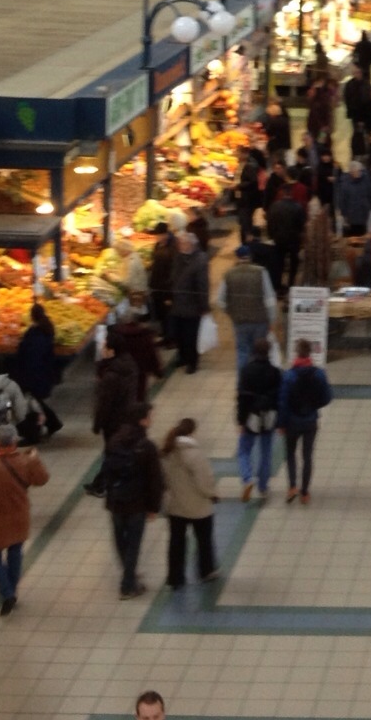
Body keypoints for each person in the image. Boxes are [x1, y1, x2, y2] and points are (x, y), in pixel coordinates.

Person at [0, 424, 49, 616]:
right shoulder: (26, 461)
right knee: (15, 552)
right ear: (15, 441)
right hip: (19, 516)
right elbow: (42, 480)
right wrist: (35, 460)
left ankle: (7, 593)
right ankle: (12, 590)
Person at [104, 404, 164, 598]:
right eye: (149, 416)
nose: (152, 420)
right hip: (137, 502)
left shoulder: (114, 440)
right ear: (142, 420)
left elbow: (107, 470)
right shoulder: (146, 446)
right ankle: (128, 585)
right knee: (133, 544)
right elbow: (155, 480)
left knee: (120, 539)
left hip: (115, 500)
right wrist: (154, 507)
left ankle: (128, 574)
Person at [160, 418, 219, 587]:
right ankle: (206, 571)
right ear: (192, 433)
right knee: (204, 540)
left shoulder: (166, 452)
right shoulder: (195, 454)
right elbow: (204, 481)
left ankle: (175, 577)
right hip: (198, 506)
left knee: (176, 542)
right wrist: (213, 494)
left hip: (175, 506)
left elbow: (162, 480)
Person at [279, 338, 333, 505]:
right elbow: (327, 397)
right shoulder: (319, 373)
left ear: (297, 353)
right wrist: (314, 406)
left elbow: (282, 402)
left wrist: (281, 423)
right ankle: (305, 492)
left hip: (292, 421)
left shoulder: (289, 375)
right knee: (307, 456)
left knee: (290, 454)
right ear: (310, 353)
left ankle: (292, 487)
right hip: (310, 420)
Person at [216, 240, 277, 371]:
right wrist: (271, 319)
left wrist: (231, 312)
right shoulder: (261, 272)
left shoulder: (229, 274)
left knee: (242, 351)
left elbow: (220, 300)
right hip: (260, 321)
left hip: (240, 321)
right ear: (250, 256)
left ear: (237, 257)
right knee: (259, 352)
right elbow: (270, 299)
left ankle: (243, 380)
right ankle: (257, 378)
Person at [236, 340, 280, 502]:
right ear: (269, 352)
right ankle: (263, 487)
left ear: (253, 352)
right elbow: (279, 397)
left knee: (243, 450)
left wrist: (241, 421)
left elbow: (242, 398)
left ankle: (247, 478)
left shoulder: (246, 371)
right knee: (266, 453)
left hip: (251, 416)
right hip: (269, 416)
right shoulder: (275, 372)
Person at [13, 303, 62, 433]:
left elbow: (31, 356)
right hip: (43, 373)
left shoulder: (35, 334)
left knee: (32, 403)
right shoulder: (46, 330)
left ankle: (38, 429)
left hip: (34, 374)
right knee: (36, 402)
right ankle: (52, 423)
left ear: (32, 316)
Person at [169, 231, 210, 373]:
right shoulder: (178, 257)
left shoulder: (200, 260)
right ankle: (182, 357)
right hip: (177, 303)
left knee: (190, 336)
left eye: (183, 243)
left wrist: (204, 306)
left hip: (192, 305)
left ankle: (192, 362)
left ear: (191, 244)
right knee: (179, 334)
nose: (180, 246)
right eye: (179, 243)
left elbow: (202, 285)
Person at [266, 184, 307, 292]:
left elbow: (270, 223)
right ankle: (291, 284)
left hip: (278, 238)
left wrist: (271, 236)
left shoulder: (274, 206)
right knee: (294, 262)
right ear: (291, 193)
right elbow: (302, 225)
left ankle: (278, 285)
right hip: (293, 239)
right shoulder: (297, 207)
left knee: (279, 262)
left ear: (282, 193)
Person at [335, 159, 371, 237]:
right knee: (353, 236)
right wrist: (343, 214)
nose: (358, 173)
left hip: (364, 212)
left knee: (364, 234)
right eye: (356, 171)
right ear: (351, 172)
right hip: (351, 215)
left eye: (359, 171)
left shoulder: (366, 180)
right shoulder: (345, 184)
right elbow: (342, 200)